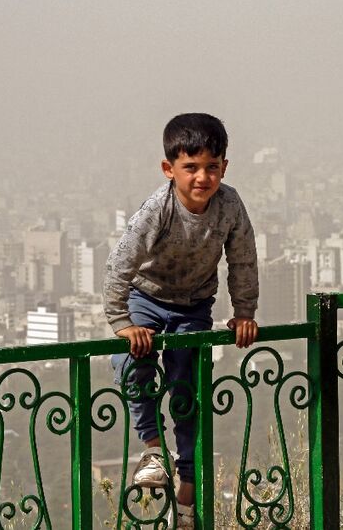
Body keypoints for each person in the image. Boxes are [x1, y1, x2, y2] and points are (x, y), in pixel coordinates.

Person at [104, 112, 259, 528]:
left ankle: (187, 492)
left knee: (187, 390)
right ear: (169, 169)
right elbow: (120, 265)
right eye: (190, 167)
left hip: (193, 305)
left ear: (224, 167)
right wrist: (122, 322)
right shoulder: (159, 209)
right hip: (145, 298)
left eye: (211, 167)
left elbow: (242, 259)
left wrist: (244, 312)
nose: (202, 177)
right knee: (132, 366)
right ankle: (154, 449)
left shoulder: (229, 205)